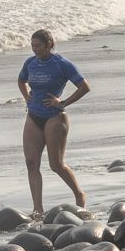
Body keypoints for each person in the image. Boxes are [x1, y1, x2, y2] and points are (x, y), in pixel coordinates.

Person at [18, 30, 89, 213]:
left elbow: (84, 87)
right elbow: (21, 80)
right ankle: (38, 210)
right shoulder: (30, 63)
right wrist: (26, 95)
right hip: (33, 116)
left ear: (49, 45)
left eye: (38, 45)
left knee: (56, 165)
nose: (35, 49)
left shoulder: (61, 64)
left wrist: (63, 103)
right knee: (31, 163)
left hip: (54, 117)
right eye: (32, 45)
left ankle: (79, 195)